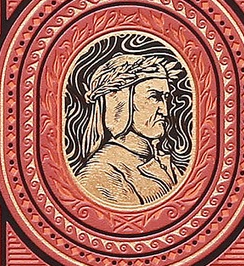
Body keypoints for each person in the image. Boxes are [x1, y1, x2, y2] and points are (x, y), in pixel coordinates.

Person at [71, 48, 188, 210]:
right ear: (120, 102)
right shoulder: (100, 175)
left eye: (165, 98)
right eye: (154, 97)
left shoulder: (163, 162)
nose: (165, 111)